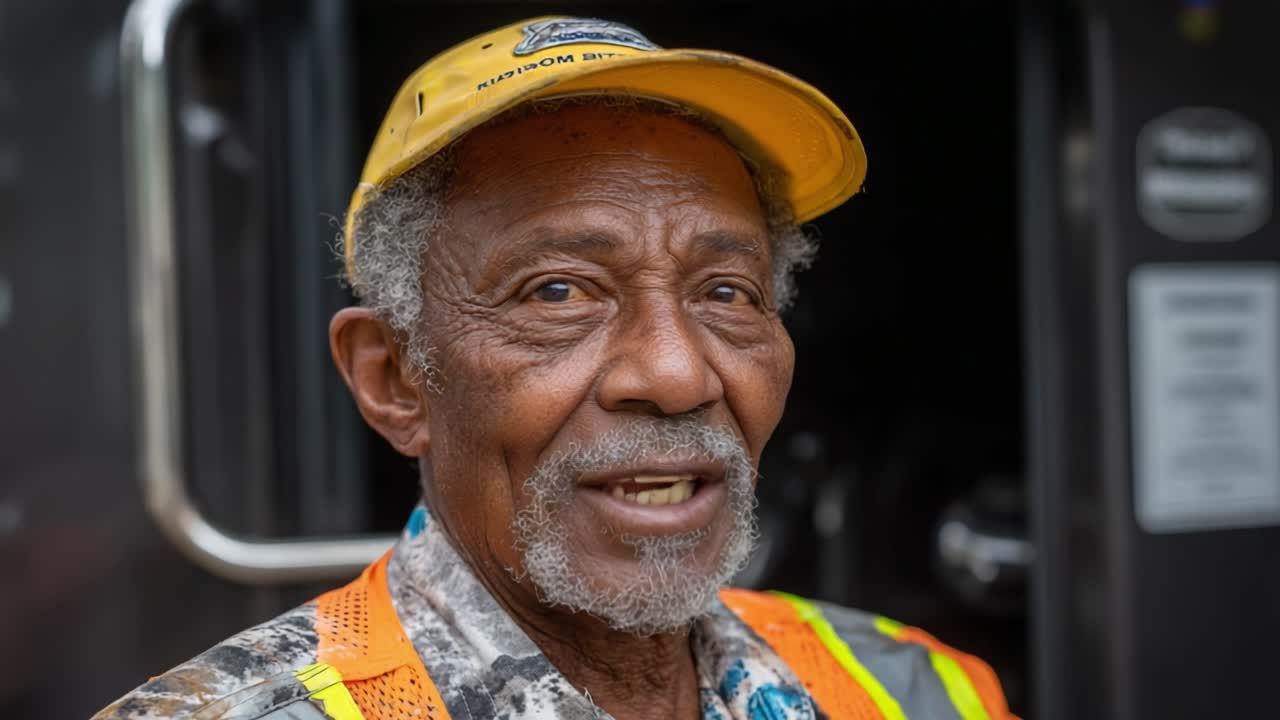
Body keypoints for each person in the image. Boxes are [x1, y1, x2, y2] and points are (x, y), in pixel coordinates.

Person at [97, 16, 1015, 720]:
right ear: (394, 378)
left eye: (726, 293)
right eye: (558, 293)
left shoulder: (919, 688)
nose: (676, 373)